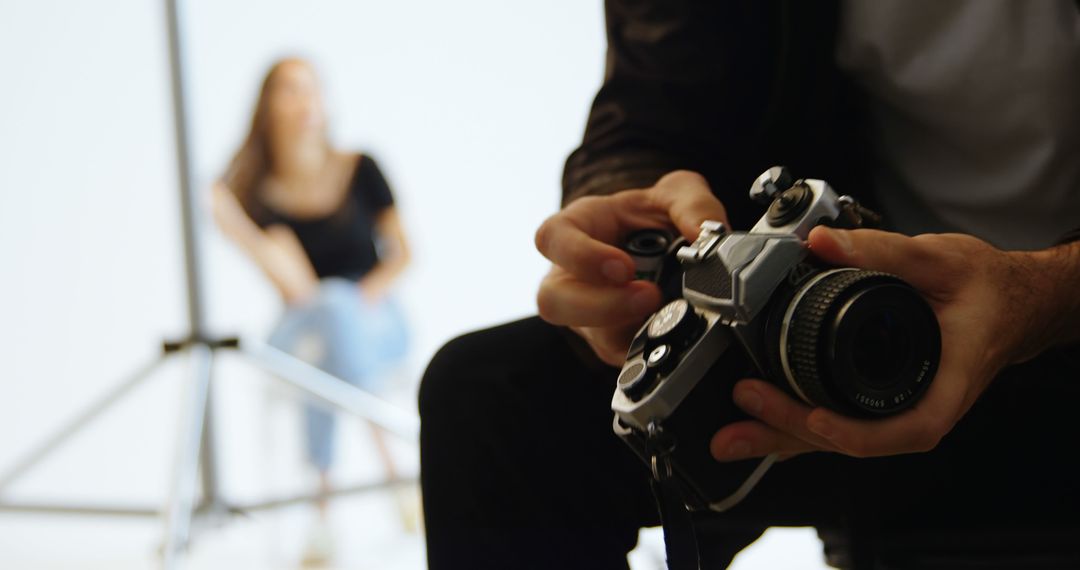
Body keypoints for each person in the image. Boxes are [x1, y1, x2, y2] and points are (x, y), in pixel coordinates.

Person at [418, 1, 1080, 569]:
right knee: (489, 396)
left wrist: (1044, 294)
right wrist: (625, 246)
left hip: (1063, 330)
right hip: (815, 354)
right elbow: (651, 108)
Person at [210, 58, 411, 564]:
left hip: (376, 317)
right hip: (308, 324)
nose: (303, 102)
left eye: (310, 90)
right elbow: (298, 290)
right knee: (328, 311)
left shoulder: (361, 168)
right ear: (267, 107)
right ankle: (398, 476)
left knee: (334, 328)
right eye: (289, 91)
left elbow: (404, 254)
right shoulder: (261, 196)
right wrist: (239, 229)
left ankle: (321, 512)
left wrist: (358, 300)